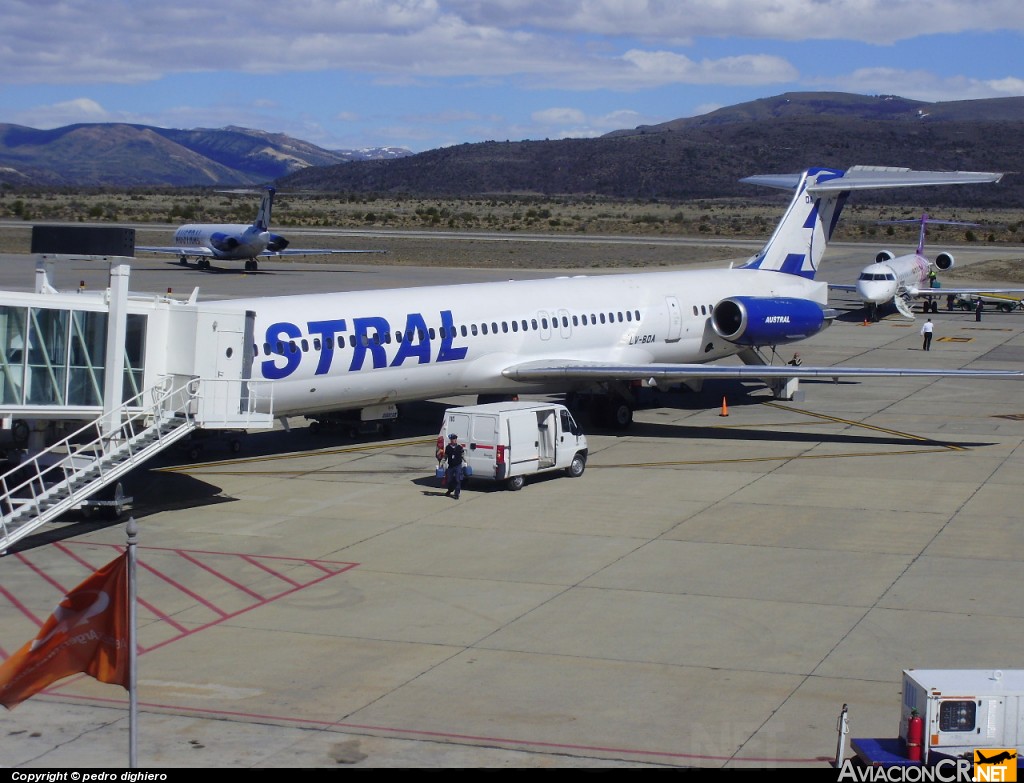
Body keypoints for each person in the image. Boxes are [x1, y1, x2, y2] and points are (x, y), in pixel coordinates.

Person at [443, 433, 465, 499]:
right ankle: (450, 489)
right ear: (450, 440)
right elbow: (445, 457)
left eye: (455, 439)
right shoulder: (448, 447)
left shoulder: (459, 447)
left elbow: (463, 455)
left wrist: (466, 462)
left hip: (458, 465)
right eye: (452, 439)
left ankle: (457, 494)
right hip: (451, 466)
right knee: (449, 480)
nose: (454, 440)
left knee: (457, 479)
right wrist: (441, 464)